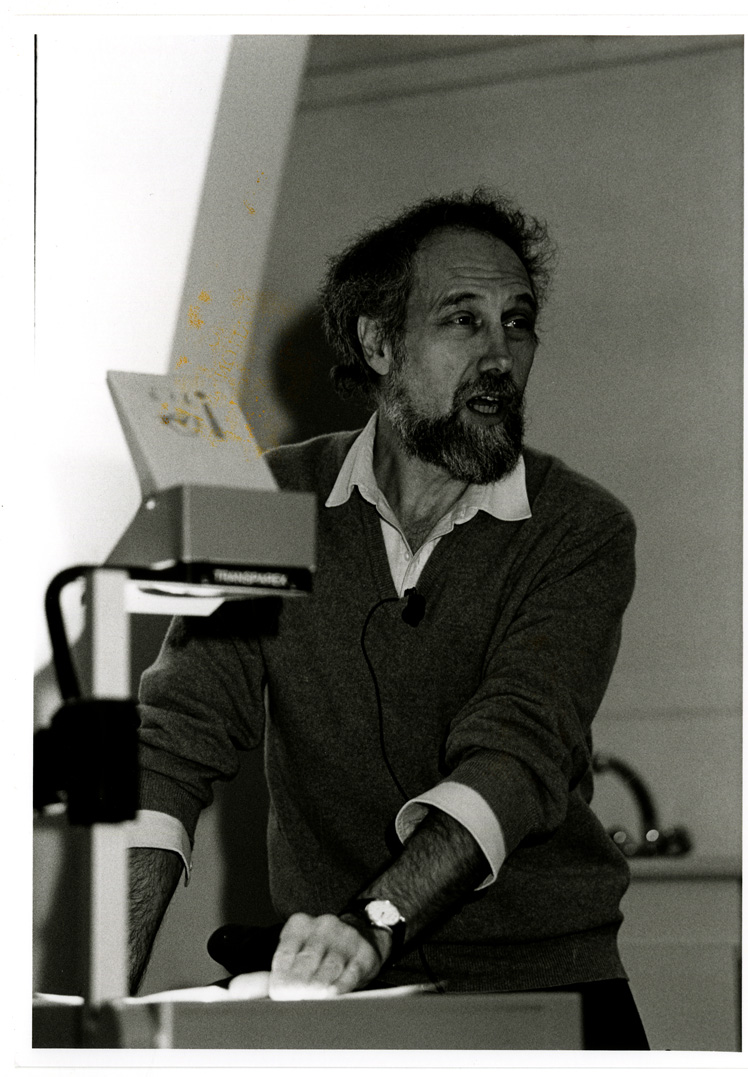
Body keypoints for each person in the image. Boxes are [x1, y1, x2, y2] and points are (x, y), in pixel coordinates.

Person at [128, 190, 648, 1049]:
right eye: (462, 320)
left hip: (542, 989)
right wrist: (101, 998)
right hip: (329, 986)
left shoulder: (580, 528)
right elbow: (172, 746)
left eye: (517, 323)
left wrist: (372, 921)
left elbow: (515, 756)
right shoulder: (267, 498)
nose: (499, 356)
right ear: (377, 343)